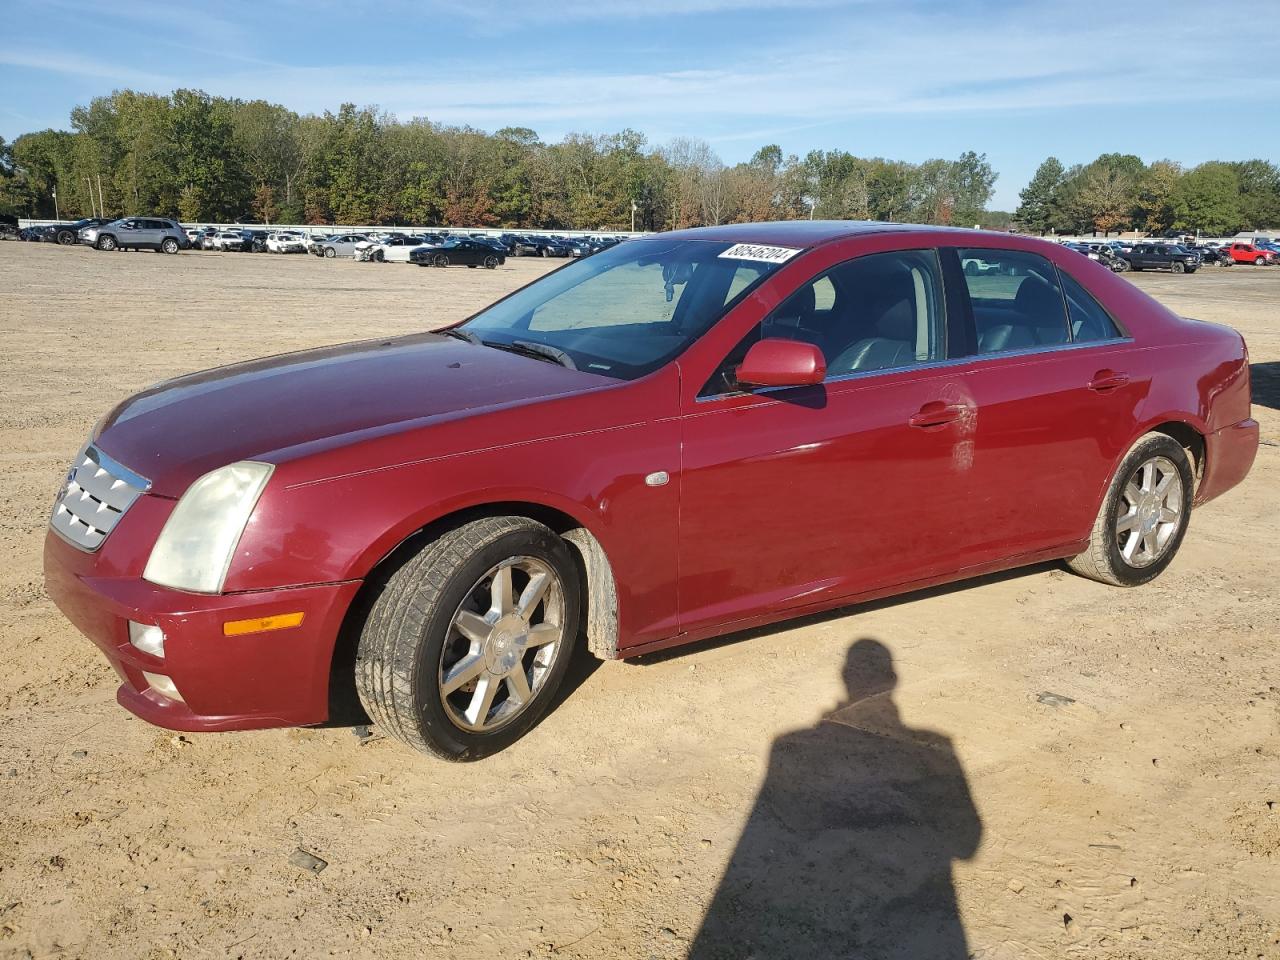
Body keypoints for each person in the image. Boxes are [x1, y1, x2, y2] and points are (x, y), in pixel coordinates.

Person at [688, 638, 982, 959]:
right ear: (894, 679)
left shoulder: (789, 743)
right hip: (914, 925)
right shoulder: (936, 744)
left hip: (808, 909)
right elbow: (968, 843)